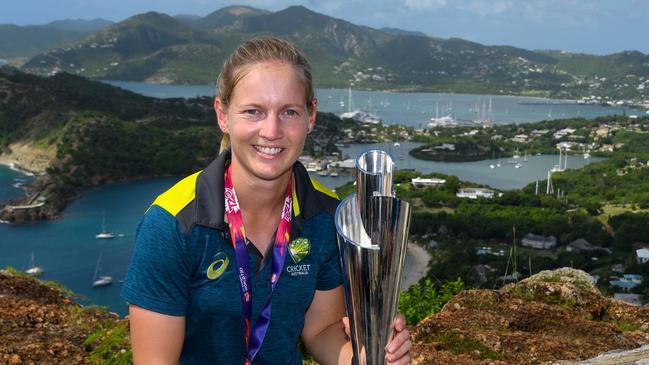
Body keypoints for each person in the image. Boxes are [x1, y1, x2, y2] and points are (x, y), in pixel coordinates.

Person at [121, 37, 411, 364]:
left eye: (289, 112)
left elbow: (322, 331)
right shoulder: (172, 223)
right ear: (222, 114)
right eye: (253, 111)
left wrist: (370, 355)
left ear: (310, 116)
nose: (271, 131)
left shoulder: (327, 216)